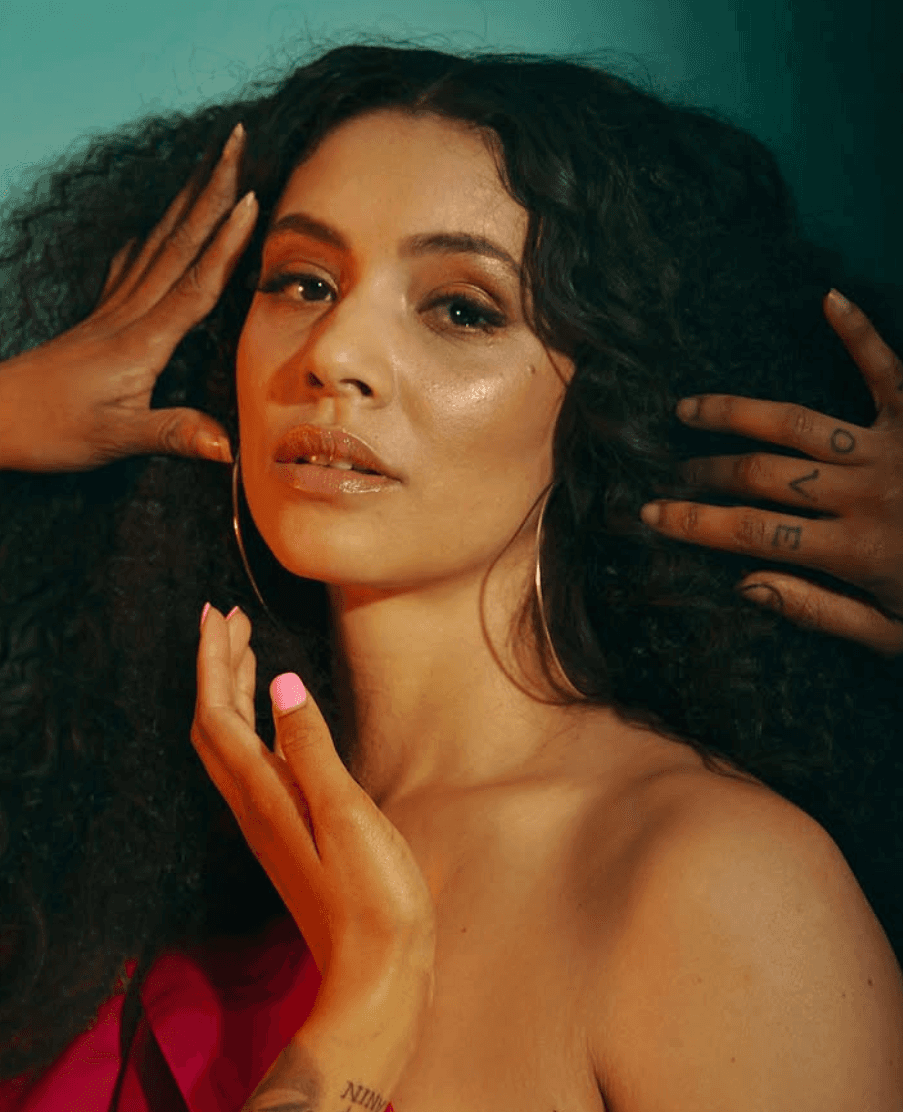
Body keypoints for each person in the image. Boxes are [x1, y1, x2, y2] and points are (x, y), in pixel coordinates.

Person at [0, 37, 902, 1112]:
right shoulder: (112, 843)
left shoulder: (716, 883)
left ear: (604, 402)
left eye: (464, 307)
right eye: (304, 280)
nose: (335, 351)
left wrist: (371, 1004)